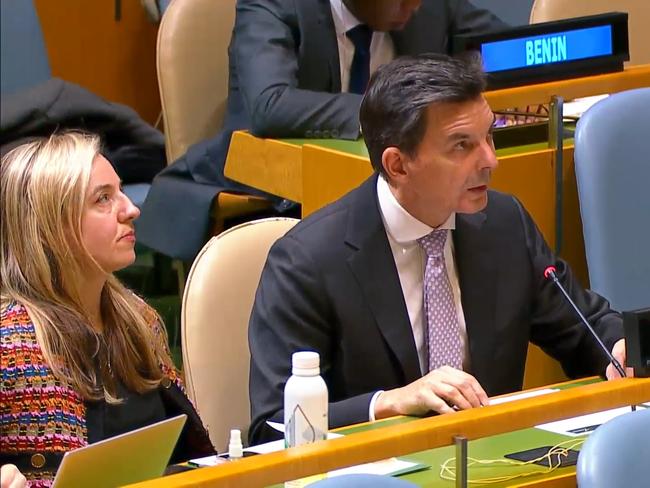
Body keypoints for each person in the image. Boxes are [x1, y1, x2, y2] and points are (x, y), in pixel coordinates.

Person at [247, 54, 631, 444]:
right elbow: (273, 424)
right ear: (397, 165)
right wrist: (389, 402)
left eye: (489, 136)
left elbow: (587, 329)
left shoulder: (503, 224)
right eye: (461, 146)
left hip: (491, 468)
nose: (490, 161)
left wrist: (620, 348)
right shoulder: (307, 261)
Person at [137, 0, 506, 261]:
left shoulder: (427, 5)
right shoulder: (276, 3)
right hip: (277, 186)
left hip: (398, 187)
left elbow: (511, 48)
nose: (415, 5)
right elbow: (269, 104)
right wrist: (399, 111)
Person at [0, 133, 214, 486]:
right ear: (52, 227)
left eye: (121, 191)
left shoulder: (140, 319)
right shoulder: (8, 345)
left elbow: (190, 451)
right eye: (103, 199)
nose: (131, 209)